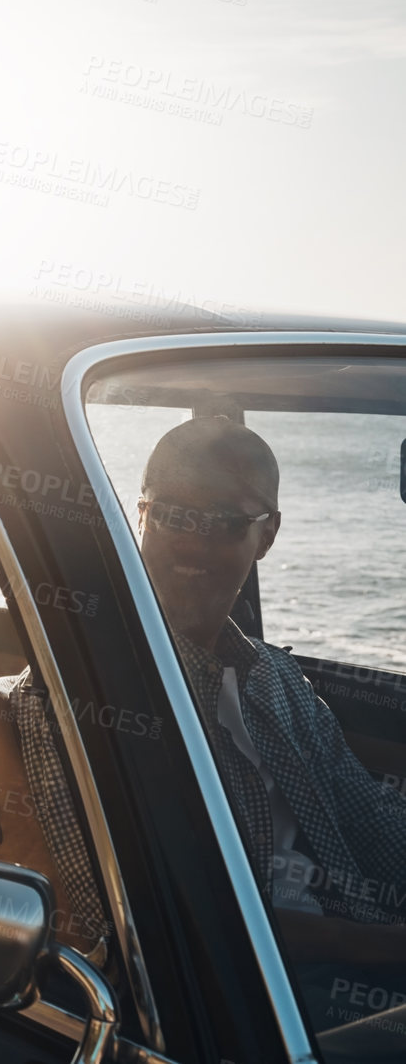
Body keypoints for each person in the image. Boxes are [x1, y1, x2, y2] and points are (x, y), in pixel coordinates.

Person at [137, 418, 406, 986]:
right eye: (173, 515)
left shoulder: (278, 679)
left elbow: (375, 827)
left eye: (225, 523)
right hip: (248, 1000)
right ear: (141, 514)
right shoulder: (98, 695)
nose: (191, 541)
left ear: (268, 534)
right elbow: (170, 921)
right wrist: (384, 947)